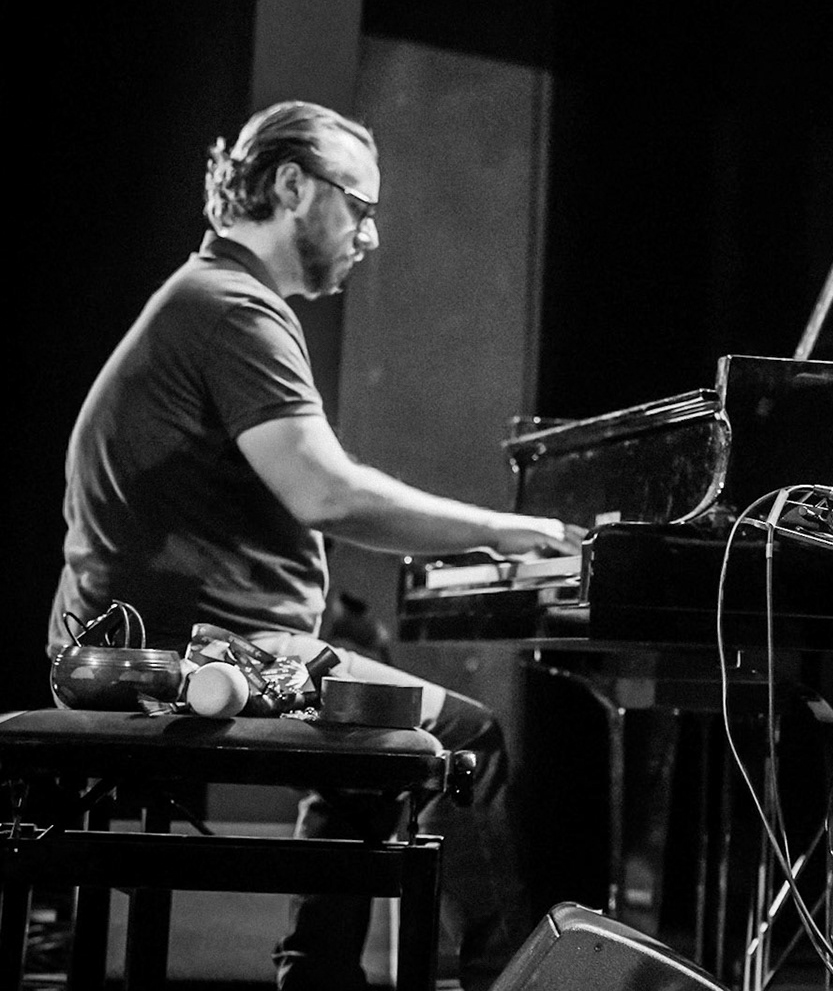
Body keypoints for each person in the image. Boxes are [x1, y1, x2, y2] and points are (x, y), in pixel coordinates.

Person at [49, 100, 585, 990]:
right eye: (360, 205)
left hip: (163, 640)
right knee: (471, 740)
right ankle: (505, 984)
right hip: (192, 657)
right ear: (293, 187)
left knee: (368, 706)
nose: (370, 234)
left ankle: (318, 977)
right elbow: (323, 491)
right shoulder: (233, 309)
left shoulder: (205, 298)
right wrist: (504, 527)